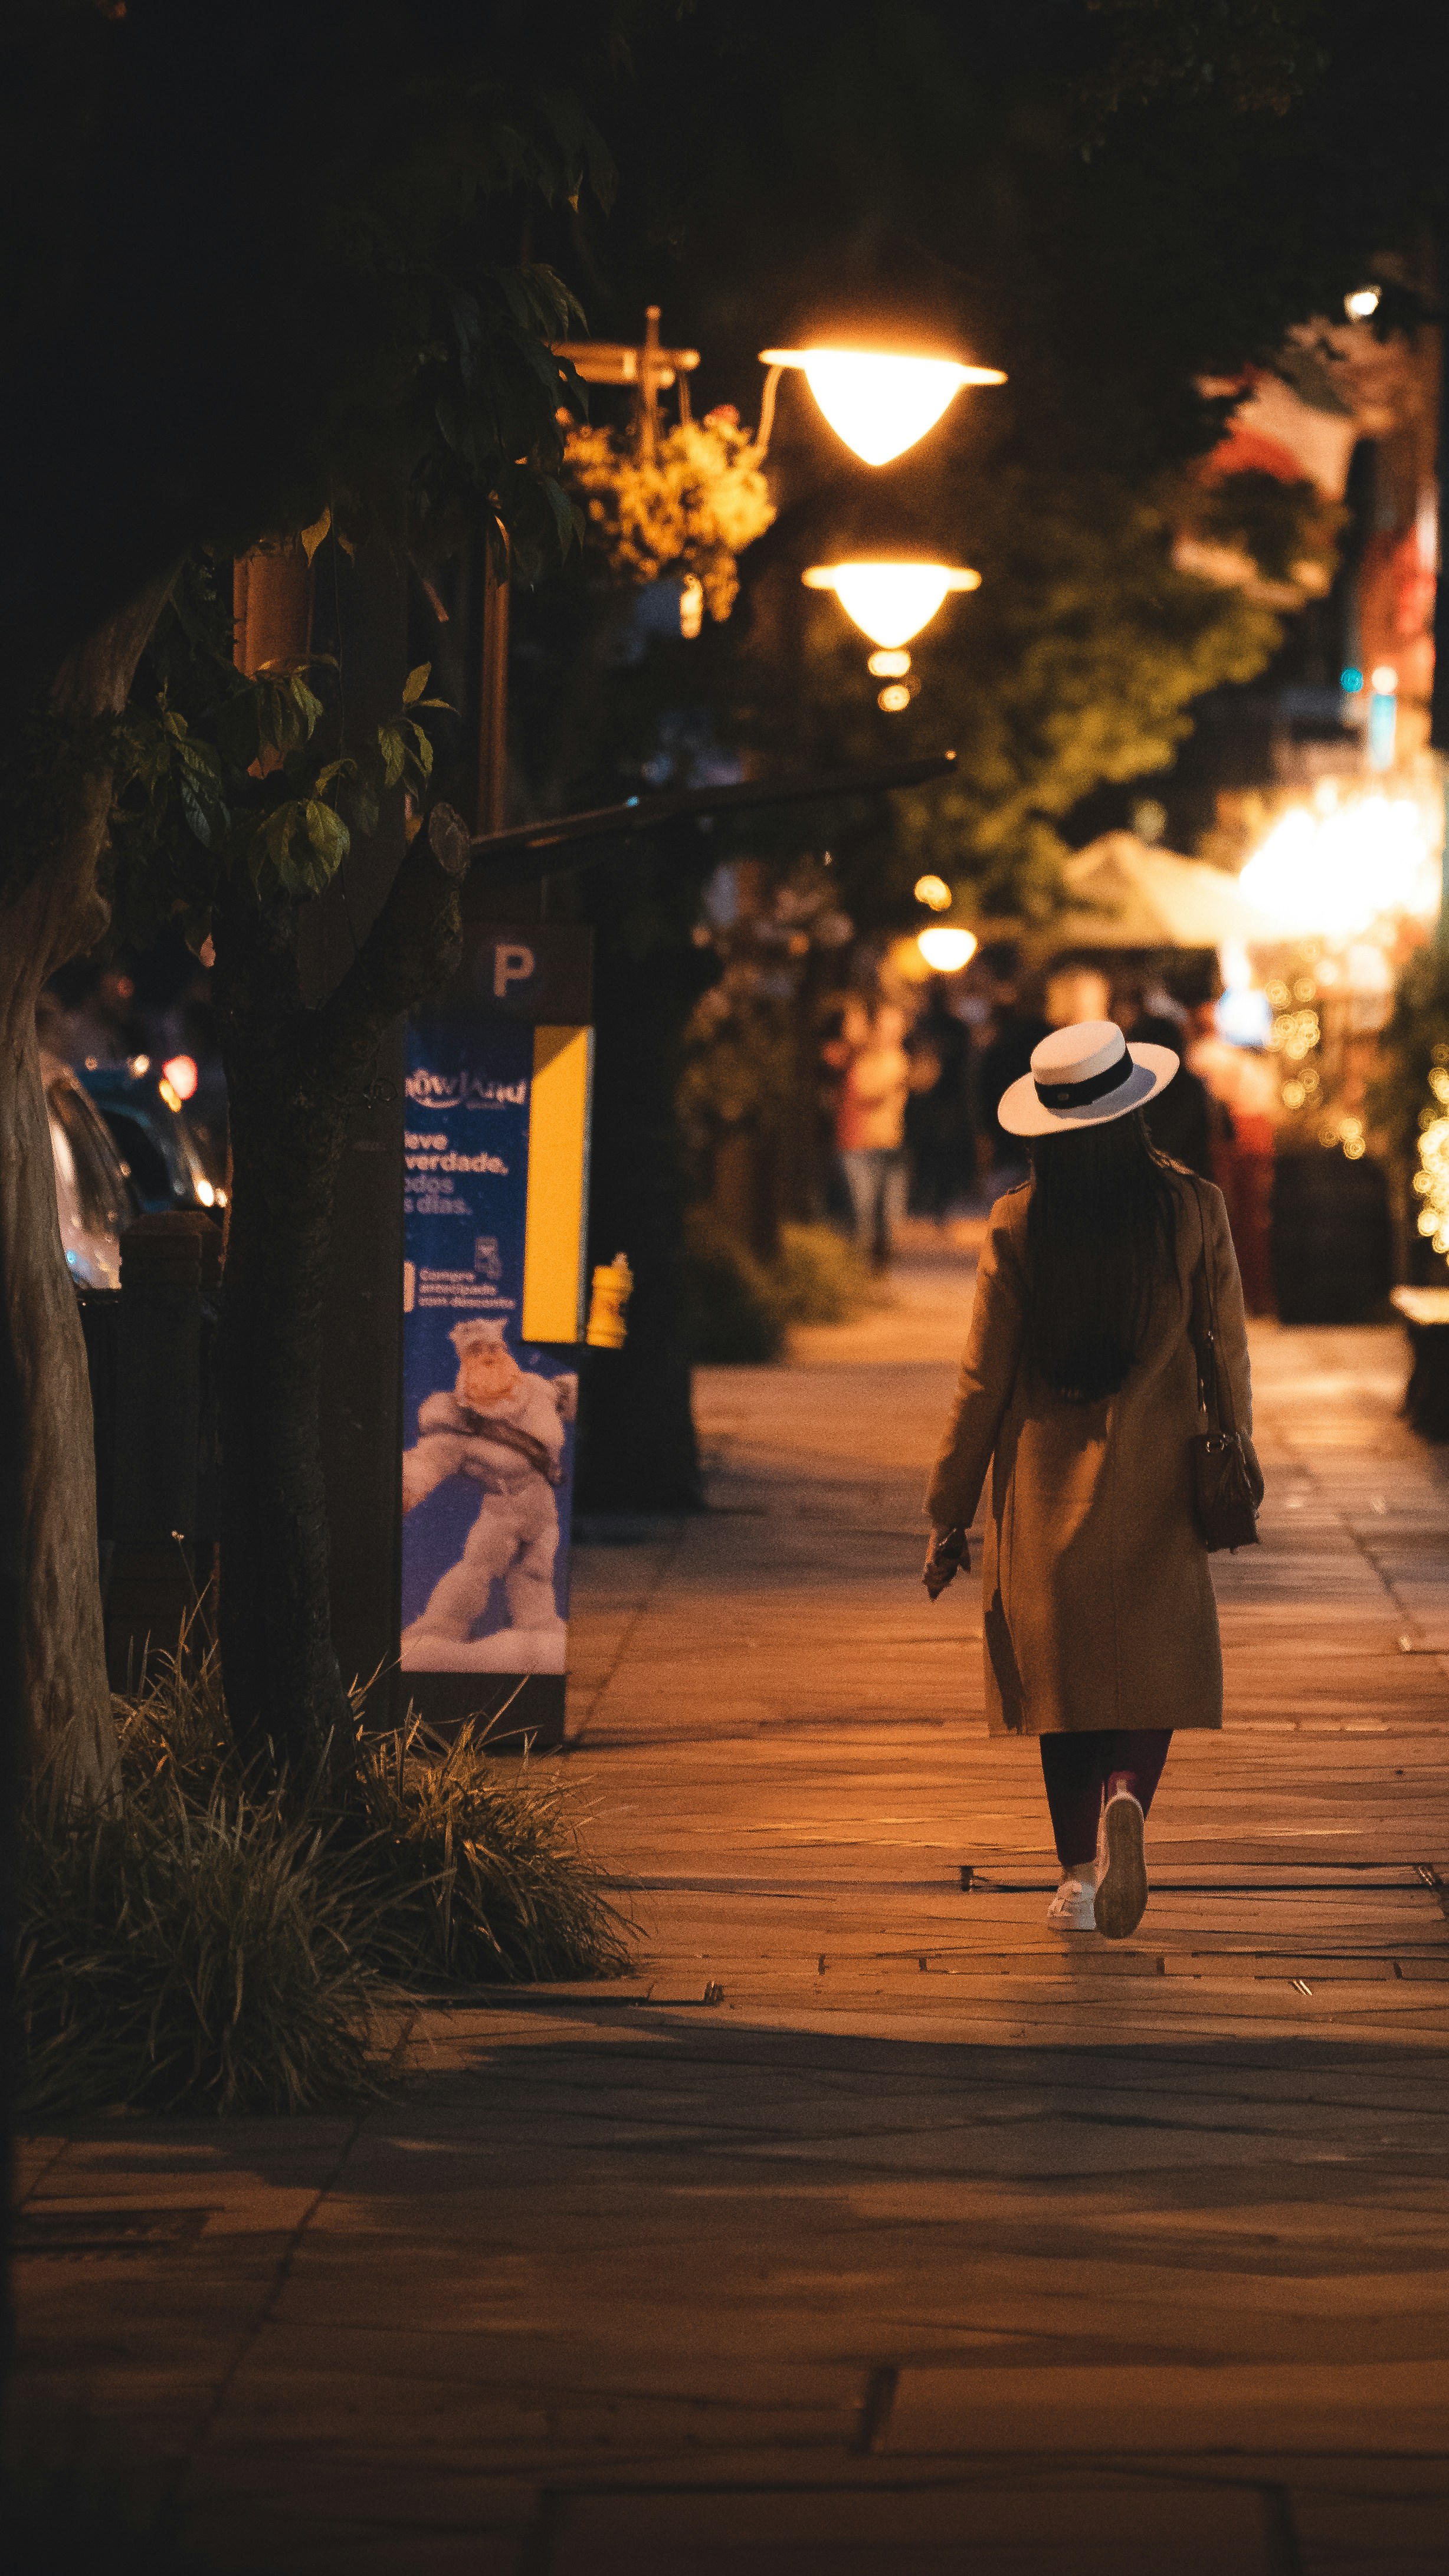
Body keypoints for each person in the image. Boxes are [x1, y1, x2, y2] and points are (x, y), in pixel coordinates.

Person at [922, 1018, 1261, 1940]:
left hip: (1044, 1487)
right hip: (1155, 1478)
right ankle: (1129, 1799)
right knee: (1154, 1672)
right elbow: (1225, 1346)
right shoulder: (1193, 1207)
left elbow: (983, 1377)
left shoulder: (1022, 1220)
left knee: (1059, 1686)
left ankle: (1076, 1880)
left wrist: (949, 1510)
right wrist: (1241, 1455)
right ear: (1135, 1110)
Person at [402, 1318, 577, 1668]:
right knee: (477, 1570)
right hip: (503, 1510)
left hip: (542, 1507)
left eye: (495, 1348)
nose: (490, 1357)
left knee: (535, 1573)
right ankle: (438, 1633)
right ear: (465, 1364)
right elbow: (428, 1461)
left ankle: (539, 1633)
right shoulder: (458, 1422)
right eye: (477, 1352)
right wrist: (406, 1488)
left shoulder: (539, 1390)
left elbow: (570, 1394)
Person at [837, 999, 911, 1268]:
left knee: (888, 1212)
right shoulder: (862, 1059)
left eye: (898, 1025)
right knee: (863, 1211)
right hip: (861, 1142)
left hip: (891, 1140)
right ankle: (861, 1269)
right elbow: (864, 1093)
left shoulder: (900, 1059)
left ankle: (878, 1268)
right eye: (887, 1024)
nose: (893, 1030)